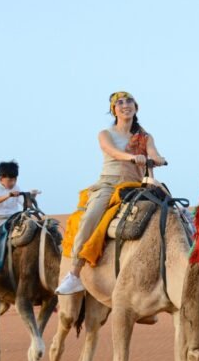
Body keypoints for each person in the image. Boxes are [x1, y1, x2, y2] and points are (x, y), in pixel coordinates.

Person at [55, 92, 167, 295]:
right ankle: (74, 273)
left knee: (172, 210)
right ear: (114, 110)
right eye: (120, 103)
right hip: (110, 184)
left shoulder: (145, 136)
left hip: (137, 184)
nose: (126, 105)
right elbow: (113, 152)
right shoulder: (105, 134)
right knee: (91, 217)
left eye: (129, 101)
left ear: (136, 106)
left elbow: (154, 152)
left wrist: (158, 158)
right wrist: (133, 158)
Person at [0, 160, 39, 293]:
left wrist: (31, 196)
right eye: (10, 179)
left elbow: (25, 204)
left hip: (15, 217)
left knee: (35, 227)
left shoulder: (16, 187)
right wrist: (8, 195)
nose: (12, 182)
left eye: (14, 179)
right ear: (1, 178)